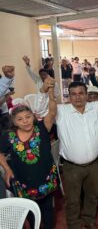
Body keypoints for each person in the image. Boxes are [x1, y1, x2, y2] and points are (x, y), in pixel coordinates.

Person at [35, 76, 98, 229]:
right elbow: (39, 110)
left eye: (81, 93)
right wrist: (43, 90)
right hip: (72, 167)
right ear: (69, 96)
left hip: (94, 164)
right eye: (73, 94)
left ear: (87, 95)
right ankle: (74, 225)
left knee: (92, 196)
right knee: (73, 200)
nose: (78, 97)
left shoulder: (96, 108)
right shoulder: (61, 111)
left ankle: (89, 220)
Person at [0, 76, 58, 229]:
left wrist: (50, 92)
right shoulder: (8, 136)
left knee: (48, 213)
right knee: (31, 216)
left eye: (28, 117)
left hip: (46, 182)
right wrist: (7, 169)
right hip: (23, 184)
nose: (25, 121)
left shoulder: (41, 128)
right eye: (20, 119)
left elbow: (52, 111)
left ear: (33, 116)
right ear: (14, 122)